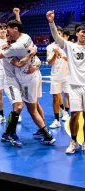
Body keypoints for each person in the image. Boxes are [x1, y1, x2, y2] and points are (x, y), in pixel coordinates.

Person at [0, 19, 56, 146]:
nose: (7, 34)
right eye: (6, 34)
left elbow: (35, 60)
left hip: (25, 79)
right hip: (11, 81)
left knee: (32, 106)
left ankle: (8, 133)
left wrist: (36, 63)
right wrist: (32, 54)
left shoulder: (19, 43)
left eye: (8, 32)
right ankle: (11, 134)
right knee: (19, 107)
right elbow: (18, 63)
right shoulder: (9, 49)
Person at [46, 10, 85, 153]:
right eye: (81, 32)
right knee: (75, 114)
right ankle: (74, 141)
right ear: (77, 33)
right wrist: (51, 22)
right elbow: (56, 36)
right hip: (74, 86)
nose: (84, 34)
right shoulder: (70, 46)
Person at [46, 26, 70, 129]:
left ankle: (66, 113)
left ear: (61, 34)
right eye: (56, 33)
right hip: (55, 76)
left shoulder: (68, 46)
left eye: (59, 33)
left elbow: (72, 61)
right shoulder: (49, 47)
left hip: (68, 75)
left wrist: (63, 55)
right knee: (56, 97)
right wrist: (55, 55)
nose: (58, 35)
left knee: (68, 95)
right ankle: (56, 120)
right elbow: (50, 62)